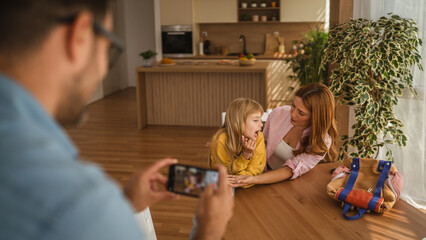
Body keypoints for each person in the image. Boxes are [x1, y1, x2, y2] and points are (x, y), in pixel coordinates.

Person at [0, 1, 233, 239]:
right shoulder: (79, 205)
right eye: (108, 50)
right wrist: (210, 229)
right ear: (79, 36)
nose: (103, 68)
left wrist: (126, 205)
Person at [229, 83, 337, 187]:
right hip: (259, 173)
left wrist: (253, 179)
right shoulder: (278, 113)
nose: (293, 114)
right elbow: (261, 144)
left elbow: (290, 170)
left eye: (301, 113)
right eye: (293, 106)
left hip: (290, 184)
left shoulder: (322, 141)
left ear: (316, 117)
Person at [209, 98, 266, 188]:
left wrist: (238, 179)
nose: (261, 124)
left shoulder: (259, 137)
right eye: (255, 120)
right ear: (238, 123)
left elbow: (256, 170)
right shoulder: (220, 140)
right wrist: (246, 155)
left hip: (246, 187)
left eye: (260, 120)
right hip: (221, 187)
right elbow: (225, 172)